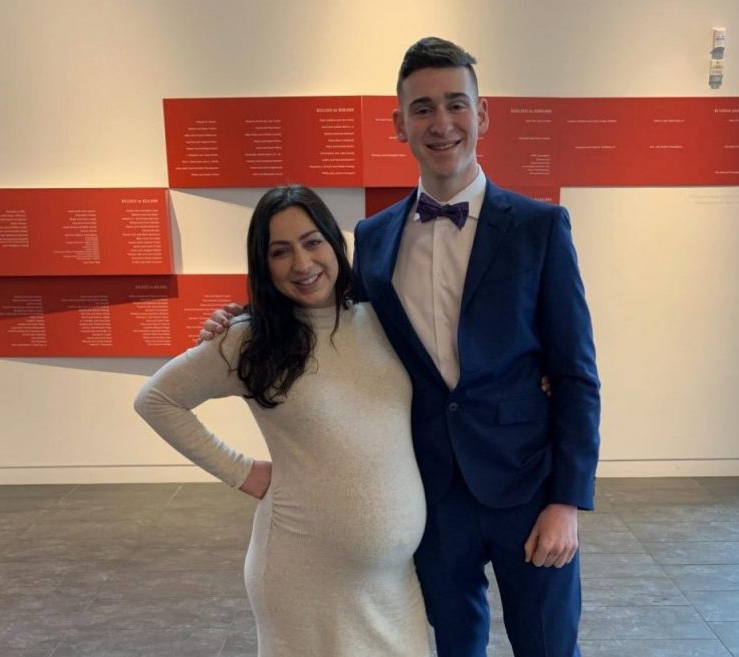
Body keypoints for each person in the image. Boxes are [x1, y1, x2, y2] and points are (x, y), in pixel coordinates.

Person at [203, 37, 600, 657]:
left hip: (527, 487)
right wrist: (245, 319)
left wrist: (568, 502)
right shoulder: (374, 237)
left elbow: (576, 376)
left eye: (455, 104)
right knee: (453, 647)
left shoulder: (540, 228)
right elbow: (334, 311)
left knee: (550, 646)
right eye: (422, 109)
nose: (441, 124)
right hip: (428, 494)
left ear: (482, 114)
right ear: (399, 125)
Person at [135, 185, 430, 657]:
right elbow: (157, 400)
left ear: (335, 242)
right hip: (304, 578)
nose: (302, 263)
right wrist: (242, 471)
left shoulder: (381, 319)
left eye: (312, 241)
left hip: (395, 583)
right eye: (280, 251)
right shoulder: (249, 340)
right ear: (263, 263)